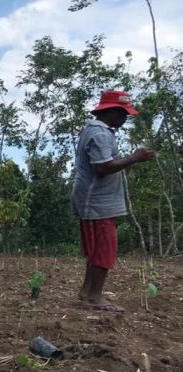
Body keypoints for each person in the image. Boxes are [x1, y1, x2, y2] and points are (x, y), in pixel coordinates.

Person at [71, 90, 155, 313]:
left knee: (98, 250)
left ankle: (88, 292)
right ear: (111, 112)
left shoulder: (98, 130)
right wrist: (134, 158)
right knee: (104, 250)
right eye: (124, 113)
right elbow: (102, 167)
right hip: (97, 203)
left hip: (96, 201)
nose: (126, 119)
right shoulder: (100, 134)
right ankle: (94, 297)